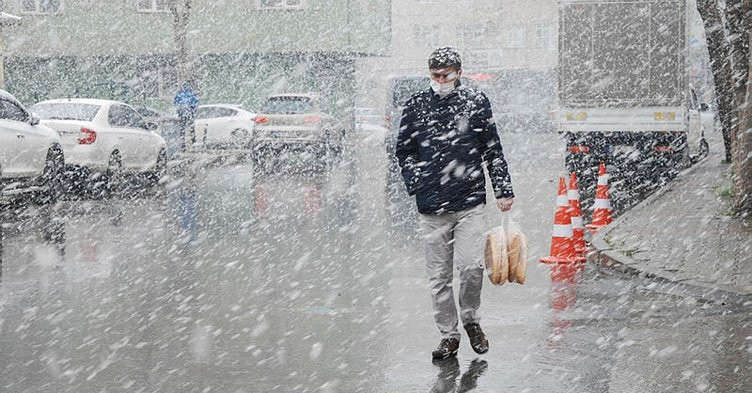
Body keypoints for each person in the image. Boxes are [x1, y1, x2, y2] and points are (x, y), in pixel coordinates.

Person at [395, 47, 515, 360]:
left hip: (469, 201)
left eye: (446, 75)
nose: (440, 80)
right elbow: (403, 151)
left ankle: (472, 321)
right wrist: (418, 181)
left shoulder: (476, 102)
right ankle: (449, 335)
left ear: (458, 73)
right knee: (438, 278)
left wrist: (503, 189)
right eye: (435, 75)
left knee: (471, 267)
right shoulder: (416, 104)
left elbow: (492, 149)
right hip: (432, 206)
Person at [174, 81, 199, 151]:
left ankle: (183, 144)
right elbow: (195, 104)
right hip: (190, 115)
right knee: (191, 129)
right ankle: (193, 142)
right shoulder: (192, 95)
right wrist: (192, 111)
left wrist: (180, 111)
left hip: (183, 115)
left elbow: (176, 104)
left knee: (182, 130)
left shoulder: (179, 95)